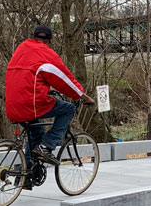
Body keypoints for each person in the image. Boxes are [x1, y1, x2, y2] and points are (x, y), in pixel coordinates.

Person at [5, 24, 94, 169]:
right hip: (31, 104)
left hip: (12, 104)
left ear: (33, 37)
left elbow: (28, 77)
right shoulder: (45, 53)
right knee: (68, 109)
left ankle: (25, 177)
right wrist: (82, 96)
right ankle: (47, 146)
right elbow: (64, 79)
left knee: (36, 132)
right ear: (50, 41)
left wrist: (46, 89)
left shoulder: (21, 48)